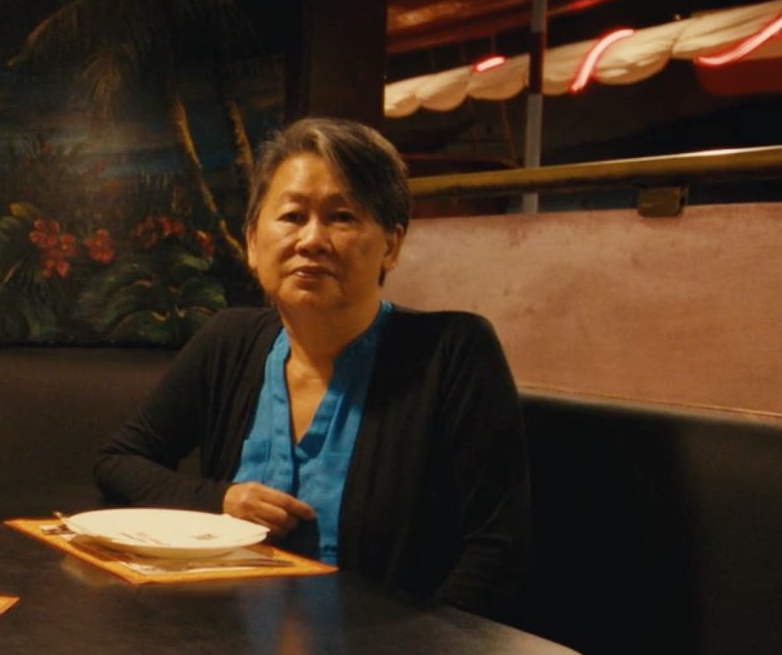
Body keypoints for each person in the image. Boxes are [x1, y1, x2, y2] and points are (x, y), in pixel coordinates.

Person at [95, 116, 529, 619]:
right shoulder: (229, 341)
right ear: (253, 242)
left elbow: (498, 549)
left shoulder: (452, 352)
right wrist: (219, 500)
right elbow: (118, 460)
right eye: (292, 216)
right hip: (223, 644)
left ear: (391, 245)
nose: (312, 240)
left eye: (342, 217)